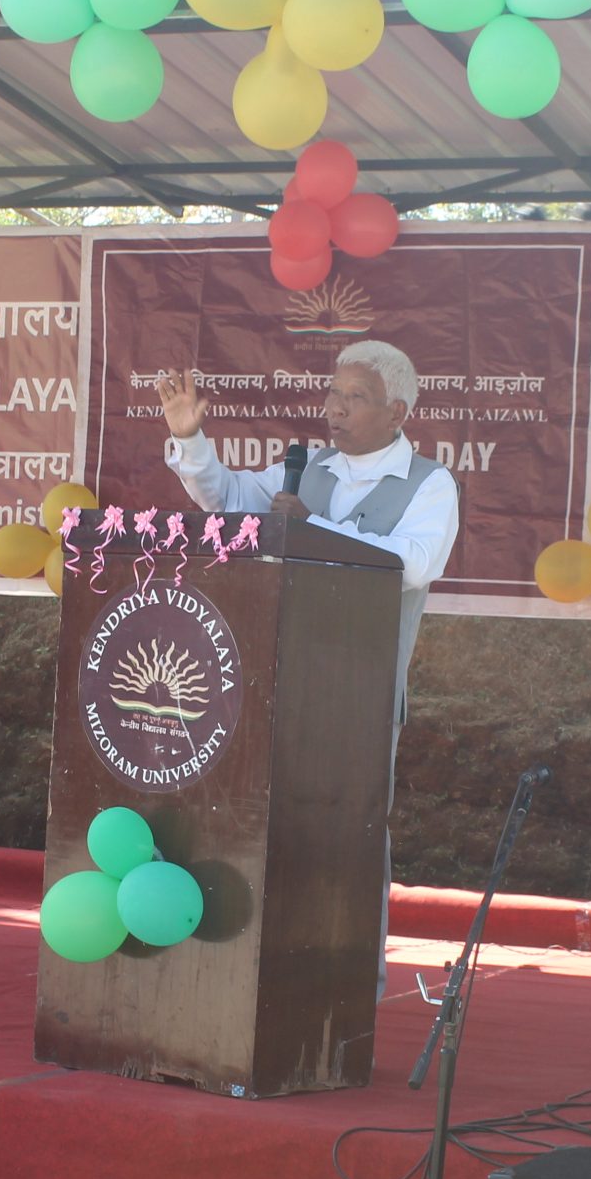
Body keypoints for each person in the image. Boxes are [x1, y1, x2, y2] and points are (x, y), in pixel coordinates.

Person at [156, 341, 461, 989]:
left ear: (397, 412)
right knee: (270, 821)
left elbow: (411, 564)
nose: (336, 408)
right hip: (278, 683)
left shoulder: (430, 483)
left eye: (356, 397)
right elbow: (228, 498)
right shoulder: (304, 467)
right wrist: (190, 439)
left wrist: (313, 528)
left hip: (361, 695)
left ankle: (352, 978)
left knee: (348, 829)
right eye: (333, 393)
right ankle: (266, 968)